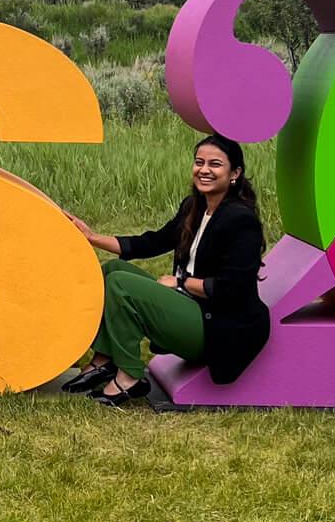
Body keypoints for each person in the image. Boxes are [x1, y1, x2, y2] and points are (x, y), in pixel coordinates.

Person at [63, 134, 269, 406]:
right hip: (191, 308)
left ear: (235, 173)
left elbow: (231, 288)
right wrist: (92, 237)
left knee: (121, 285)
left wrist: (181, 282)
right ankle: (104, 359)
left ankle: (129, 377)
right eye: (199, 162)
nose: (204, 170)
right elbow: (152, 242)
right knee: (111, 270)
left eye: (215, 164)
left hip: (218, 327)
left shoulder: (241, 220)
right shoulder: (193, 207)